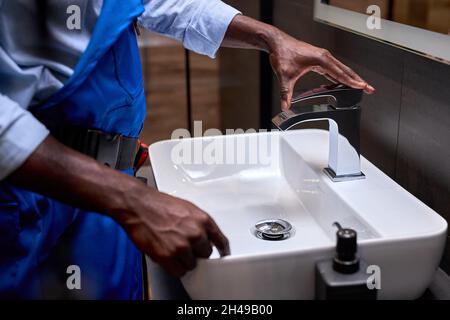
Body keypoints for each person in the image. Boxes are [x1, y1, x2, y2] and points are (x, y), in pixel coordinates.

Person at [0, 0, 374, 299]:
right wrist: (132, 200)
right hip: (38, 191)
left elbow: (161, 2)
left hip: (108, 190)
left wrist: (269, 37)